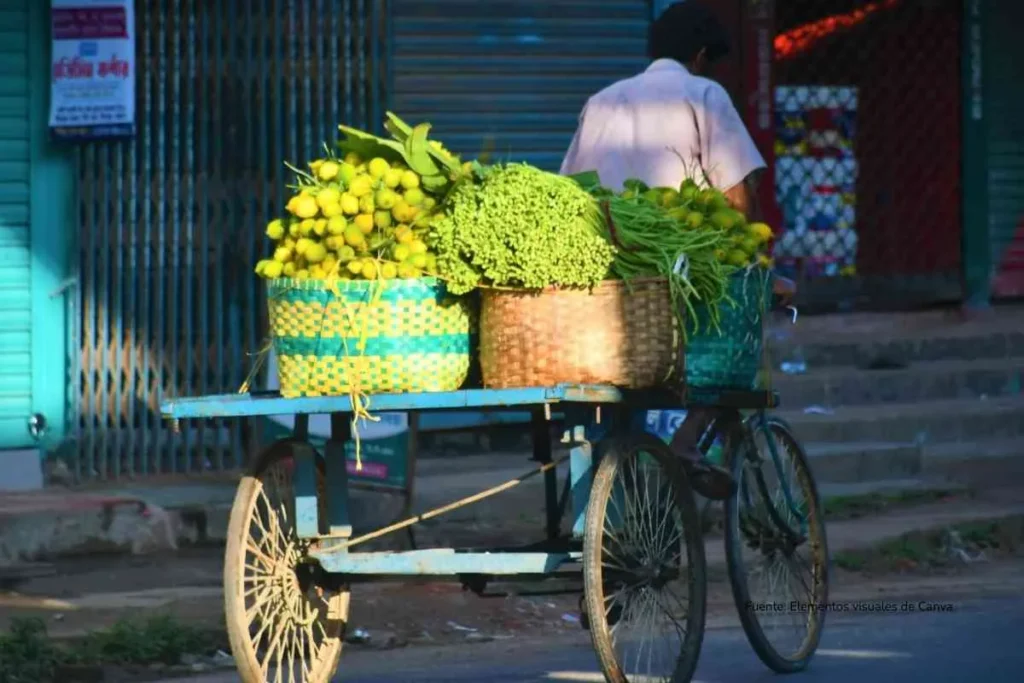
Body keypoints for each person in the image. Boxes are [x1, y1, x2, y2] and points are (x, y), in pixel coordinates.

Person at [560, 0, 767, 500]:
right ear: (699, 56)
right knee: (730, 362)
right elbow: (737, 198)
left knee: (625, 380)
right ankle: (688, 441)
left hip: (606, 281)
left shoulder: (603, 100)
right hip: (680, 277)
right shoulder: (704, 93)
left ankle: (607, 502)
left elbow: (569, 191)